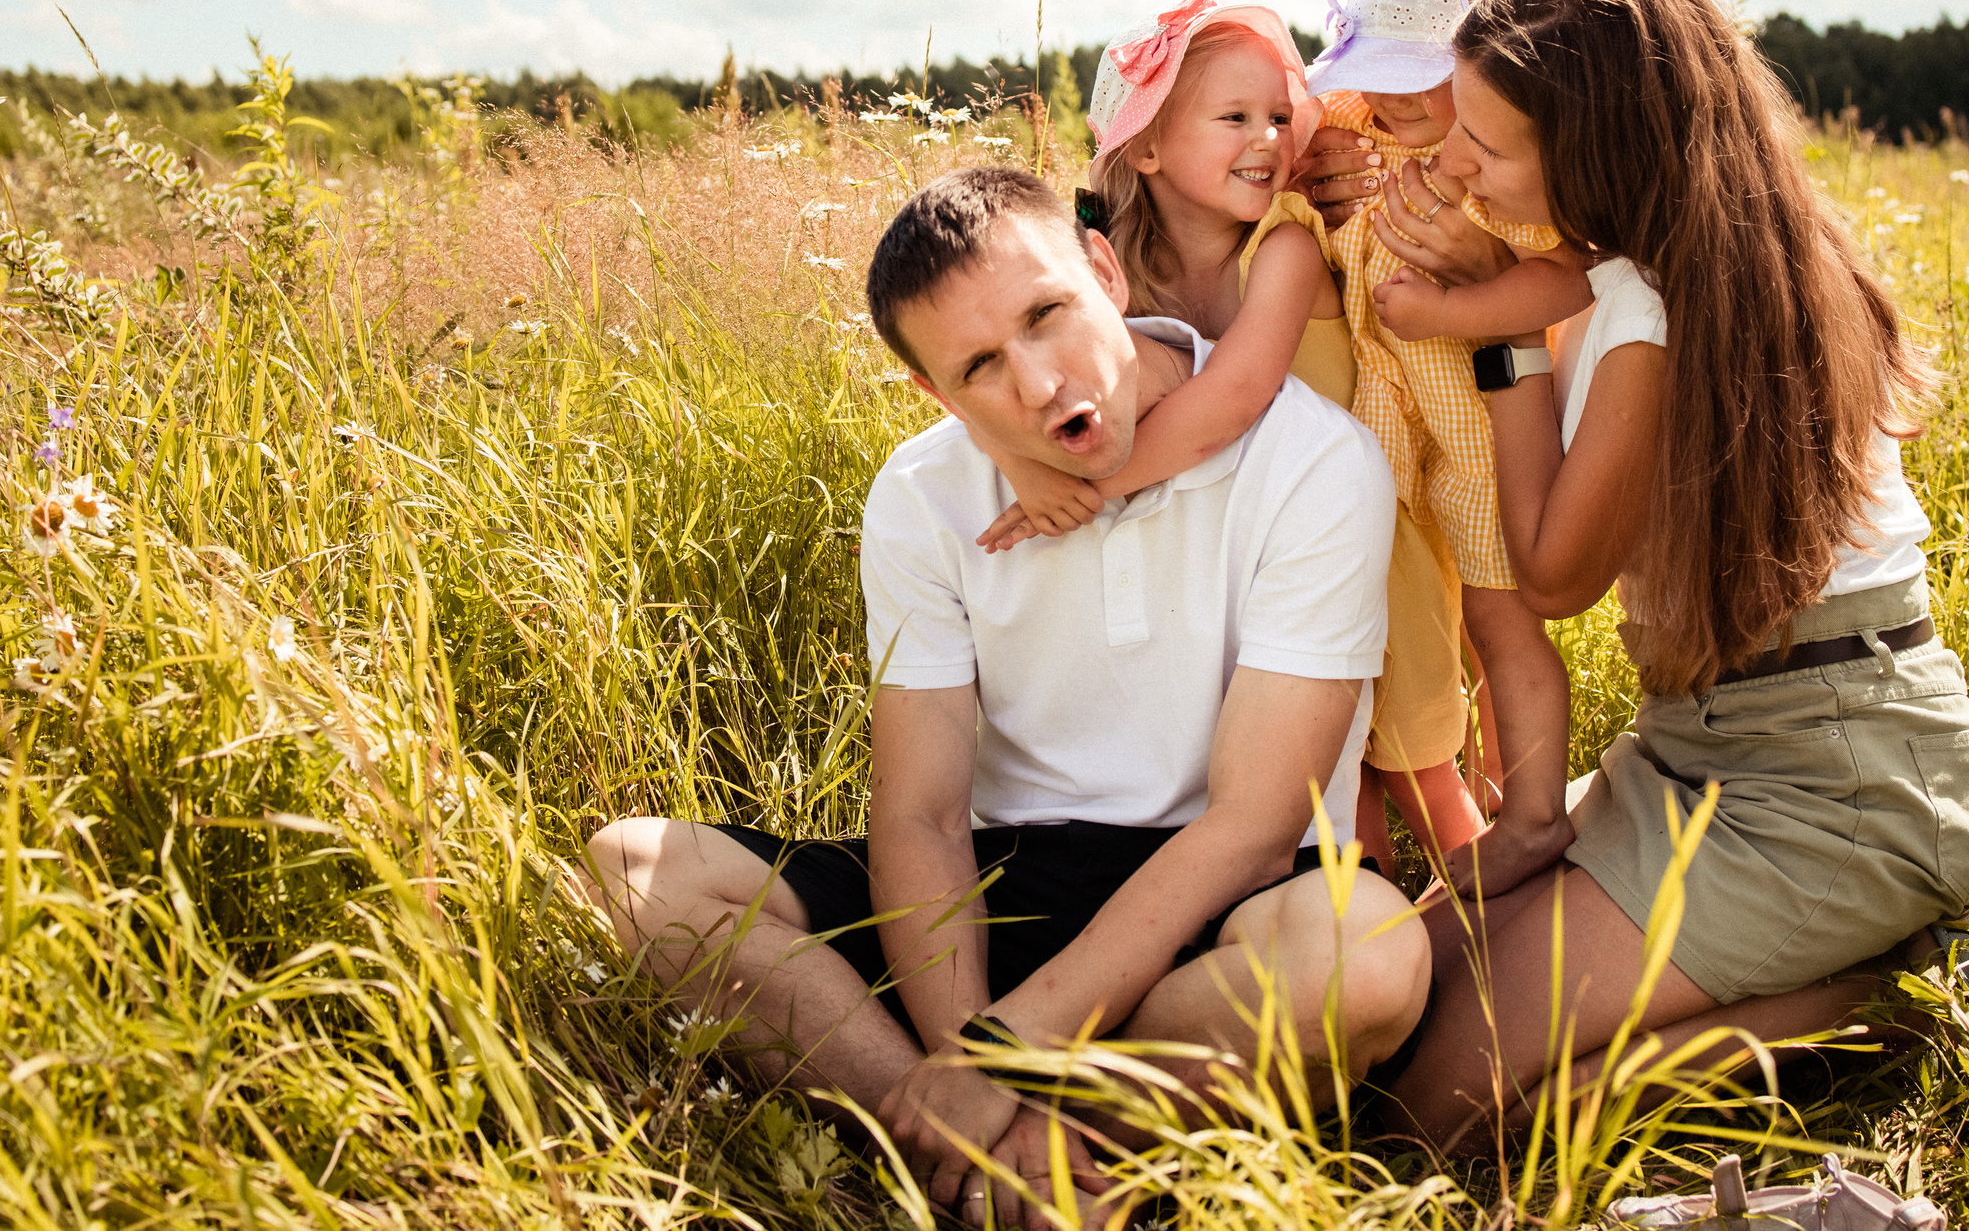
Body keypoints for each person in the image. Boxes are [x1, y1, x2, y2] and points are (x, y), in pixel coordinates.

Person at [582, 167, 1431, 1225]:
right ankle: (964, 1144)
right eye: (981, 364)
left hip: (1223, 914)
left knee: (1369, 957)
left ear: (1105, 272)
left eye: (1047, 314)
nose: (1037, 384)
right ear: (937, 396)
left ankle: (1010, 1149)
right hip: (1009, 889)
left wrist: (1006, 1051)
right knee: (633, 874)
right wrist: (964, 1052)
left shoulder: (1312, 461)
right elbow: (922, 814)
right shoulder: (922, 492)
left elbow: (1256, 829)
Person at [1361, 0, 1969, 1148]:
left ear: (1601, 157)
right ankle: (1830, 979)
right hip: (1702, 744)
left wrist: (1490, 341)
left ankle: (1886, 1000)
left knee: (1442, 1104)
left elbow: (1552, 579)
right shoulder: (1680, 255)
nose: (1448, 160)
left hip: (1837, 781)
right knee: (1399, 1000)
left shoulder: (1653, 308)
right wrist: (1502, 290)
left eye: (1488, 146)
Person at [1309, 0, 1597, 899]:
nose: (1387, 102)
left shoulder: (1511, 178)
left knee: (1497, 623)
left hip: (1482, 437)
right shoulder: (1359, 133)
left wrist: (1450, 304)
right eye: (1375, 76)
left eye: (1411, 77)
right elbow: (1306, 139)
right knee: (1382, 610)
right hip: (1383, 421)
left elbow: (1567, 282)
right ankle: (1407, 796)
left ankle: (1523, 815)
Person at [969, 0, 1345, 552]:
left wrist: (1083, 488)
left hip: (1323, 509)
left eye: (1281, 117)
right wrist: (1019, 464)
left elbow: (1234, 397)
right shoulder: (1105, 256)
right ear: (1147, 148)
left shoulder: (1285, 249)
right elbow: (983, 364)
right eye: (1235, 117)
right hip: (1219, 527)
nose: (1268, 137)